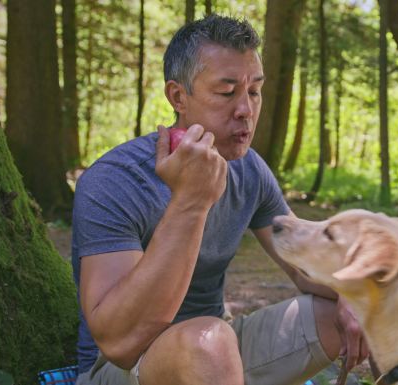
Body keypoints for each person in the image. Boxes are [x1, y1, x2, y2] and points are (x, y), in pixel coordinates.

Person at [72, 14, 368, 385]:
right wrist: (190, 201)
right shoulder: (115, 179)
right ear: (178, 96)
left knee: (343, 310)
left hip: (216, 355)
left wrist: (353, 292)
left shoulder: (249, 170)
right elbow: (118, 341)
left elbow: (301, 263)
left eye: (254, 91)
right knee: (209, 342)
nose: (245, 109)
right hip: (126, 368)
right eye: (227, 92)